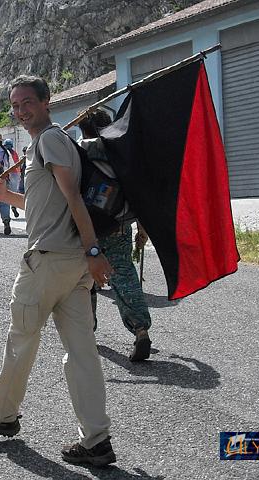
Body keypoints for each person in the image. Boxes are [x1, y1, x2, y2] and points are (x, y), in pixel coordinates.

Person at [0, 76, 117, 467]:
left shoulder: (49, 140)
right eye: (15, 105)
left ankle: (1, 414)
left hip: (48, 261)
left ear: (46, 102)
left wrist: (94, 249)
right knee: (81, 354)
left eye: (28, 102)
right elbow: (45, 205)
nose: (20, 110)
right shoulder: (49, 144)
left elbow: (73, 197)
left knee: (21, 339)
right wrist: (4, 195)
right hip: (71, 266)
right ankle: (96, 440)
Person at [78, 108, 152, 361]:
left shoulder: (77, 151)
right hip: (119, 223)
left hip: (87, 228)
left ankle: (86, 332)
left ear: (82, 128)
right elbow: (137, 190)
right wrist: (143, 227)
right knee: (124, 276)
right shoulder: (120, 151)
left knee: (84, 281)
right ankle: (140, 329)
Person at [3, 138, 21, 218]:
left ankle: (6, 212)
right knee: (14, 192)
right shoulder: (14, 153)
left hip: (7, 173)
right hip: (15, 174)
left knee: (6, 192)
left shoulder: (4, 153)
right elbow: (18, 164)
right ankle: (13, 206)